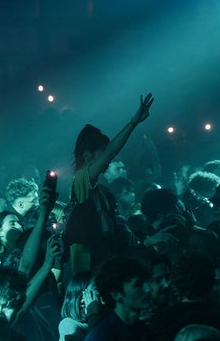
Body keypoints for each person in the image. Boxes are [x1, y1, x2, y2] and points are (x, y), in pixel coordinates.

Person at [64, 94, 154, 276]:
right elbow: (111, 153)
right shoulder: (81, 179)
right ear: (88, 155)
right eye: (103, 154)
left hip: (103, 261)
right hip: (86, 265)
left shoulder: (101, 192)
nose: (108, 161)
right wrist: (133, 123)